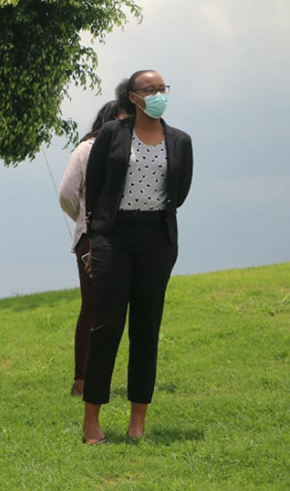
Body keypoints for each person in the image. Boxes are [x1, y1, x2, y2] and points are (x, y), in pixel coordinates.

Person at [82, 70, 193, 444]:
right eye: (150, 89)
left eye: (162, 88)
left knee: (146, 331)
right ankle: (92, 421)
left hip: (157, 238)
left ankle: (137, 422)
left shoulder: (180, 140)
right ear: (133, 96)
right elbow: (94, 187)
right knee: (108, 325)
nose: (158, 94)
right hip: (114, 235)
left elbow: (179, 193)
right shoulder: (113, 134)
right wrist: (95, 240)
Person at [58, 100, 126, 397]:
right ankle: (82, 379)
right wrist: (86, 219)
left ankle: (107, 376)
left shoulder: (132, 151)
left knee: (117, 310)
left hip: (129, 237)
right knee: (94, 306)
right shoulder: (87, 149)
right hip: (93, 236)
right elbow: (67, 194)